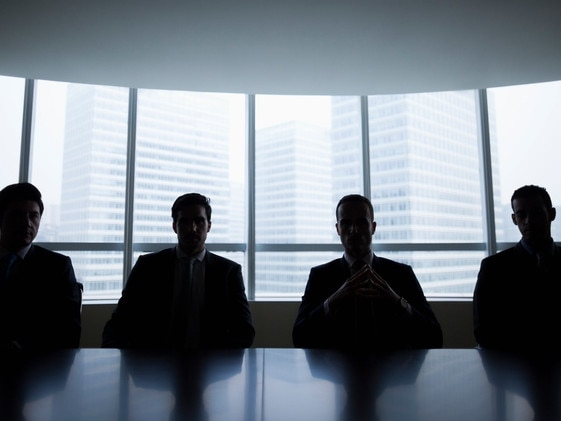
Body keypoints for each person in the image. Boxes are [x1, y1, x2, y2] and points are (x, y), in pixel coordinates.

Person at [102, 192, 255, 349]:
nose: (192, 228)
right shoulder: (147, 267)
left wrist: (215, 362)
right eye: (184, 222)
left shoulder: (228, 272)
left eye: (199, 221)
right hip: (154, 365)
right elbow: (119, 322)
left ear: (209, 226)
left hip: (209, 367)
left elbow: (245, 331)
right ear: (174, 226)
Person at [292, 194, 443, 350]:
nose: (354, 230)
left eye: (361, 222)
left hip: (393, 373)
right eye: (346, 223)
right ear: (337, 229)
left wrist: (397, 301)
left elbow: (435, 338)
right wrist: (334, 299)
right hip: (336, 373)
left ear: (373, 227)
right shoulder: (320, 277)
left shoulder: (401, 274)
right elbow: (299, 338)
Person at [473, 185, 561, 352]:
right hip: (513, 367)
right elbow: (483, 331)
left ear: (552, 214)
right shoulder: (493, 268)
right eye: (522, 215)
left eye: (536, 213)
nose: (528, 221)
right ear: (514, 219)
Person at [0, 182, 82, 351]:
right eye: (18, 215)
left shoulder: (58, 268)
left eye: (33, 216)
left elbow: (69, 332)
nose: (27, 223)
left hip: (36, 366)